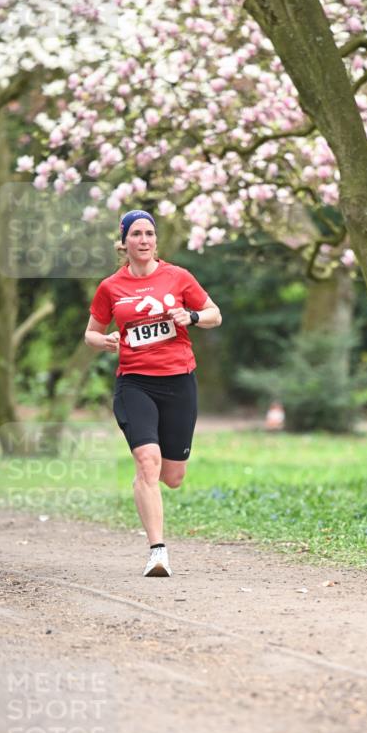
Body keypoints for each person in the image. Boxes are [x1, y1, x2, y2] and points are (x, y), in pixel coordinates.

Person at [85, 209, 221, 577]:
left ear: (155, 240)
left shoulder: (178, 276)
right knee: (148, 462)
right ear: (124, 241)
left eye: (149, 234)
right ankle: (157, 552)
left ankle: (149, 483)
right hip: (134, 383)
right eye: (136, 234)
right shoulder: (110, 287)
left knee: (172, 476)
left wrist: (191, 318)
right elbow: (91, 332)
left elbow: (214, 313)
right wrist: (106, 340)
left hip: (178, 381)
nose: (143, 240)